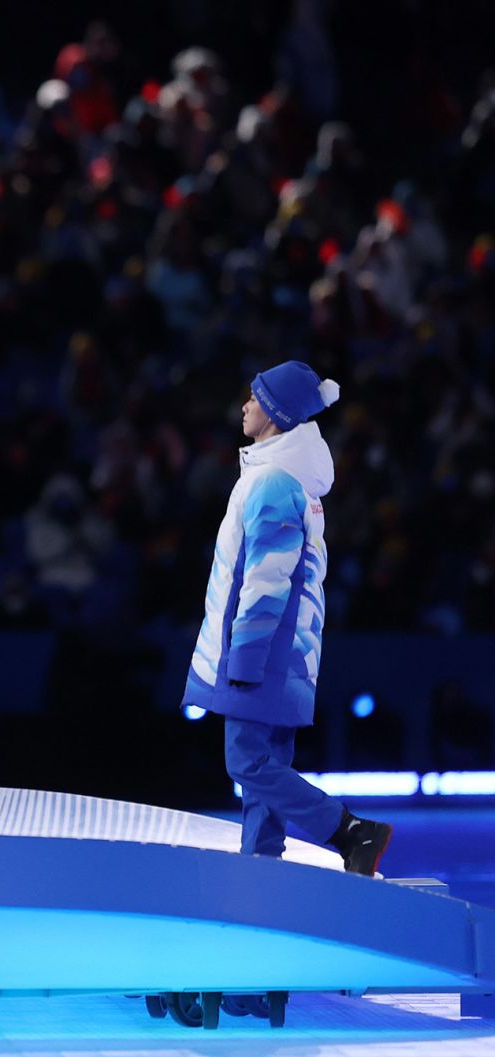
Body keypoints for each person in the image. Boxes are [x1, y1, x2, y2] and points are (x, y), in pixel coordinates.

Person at [183, 361, 392, 875]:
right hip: (287, 651)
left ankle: (349, 831)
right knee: (267, 767)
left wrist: (246, 658)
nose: (245, 406)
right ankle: (263, 870)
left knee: (246, 763)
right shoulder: (284, 478)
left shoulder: (273, 482)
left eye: (254, 398)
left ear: (275, 413)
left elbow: (267, 581)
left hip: (265, 651)